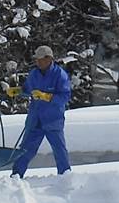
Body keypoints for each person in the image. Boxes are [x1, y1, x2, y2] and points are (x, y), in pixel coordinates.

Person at [10, 45, 72, 177]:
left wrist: (47, 97)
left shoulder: (60, 75)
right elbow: (28, 90)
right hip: (35, 119)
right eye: (36, 59)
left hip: (52, 119)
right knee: (25, 150)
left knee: (59, 150)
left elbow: (65, 96)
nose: (37, 62)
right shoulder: (34, 74)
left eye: (40, 59)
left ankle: (65, 177)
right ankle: (16, 176)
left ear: (49, 59)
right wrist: (17, 91)